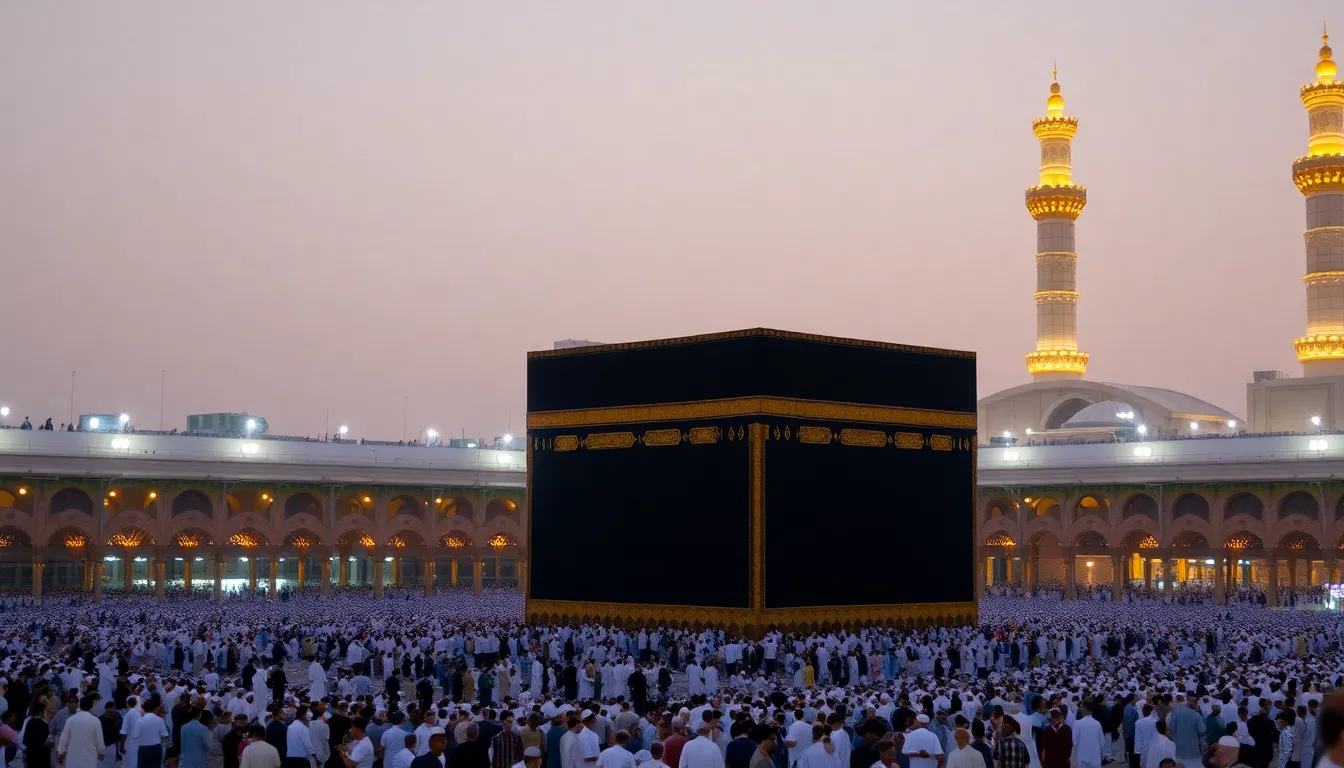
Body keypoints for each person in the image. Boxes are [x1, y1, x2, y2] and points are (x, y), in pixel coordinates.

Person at [57, 694, 105, 768]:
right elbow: (99, 740)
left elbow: (64, 739)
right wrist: (101, 752)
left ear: (79, 705)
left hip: (73, 759)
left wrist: (60, 753)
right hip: (89, 759)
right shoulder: (95, 721)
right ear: (91, 706)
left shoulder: (71, 720)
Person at [136, 697, 170, 768]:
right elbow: (165, 736)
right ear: (154, 708)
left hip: (143, 748)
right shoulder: (159, 720)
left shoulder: (139, 721)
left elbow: (135, 736)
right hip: (156, 748)